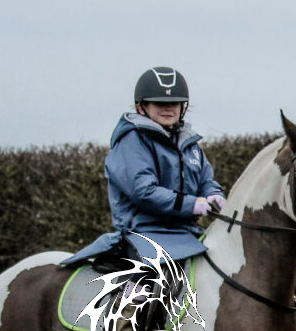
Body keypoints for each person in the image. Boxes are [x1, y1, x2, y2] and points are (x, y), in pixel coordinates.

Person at [62, 66, 226, 272]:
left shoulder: (190, 145)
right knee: (150, 283)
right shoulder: (132, 141)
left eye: (174, 103)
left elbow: (206, 181)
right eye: (160, 103)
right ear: (141, 107)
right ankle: (131, 294)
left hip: (187, 233)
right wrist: (191, 204)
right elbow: (143, 191)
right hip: (144, 233)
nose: (168, 108)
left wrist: (214, 195)